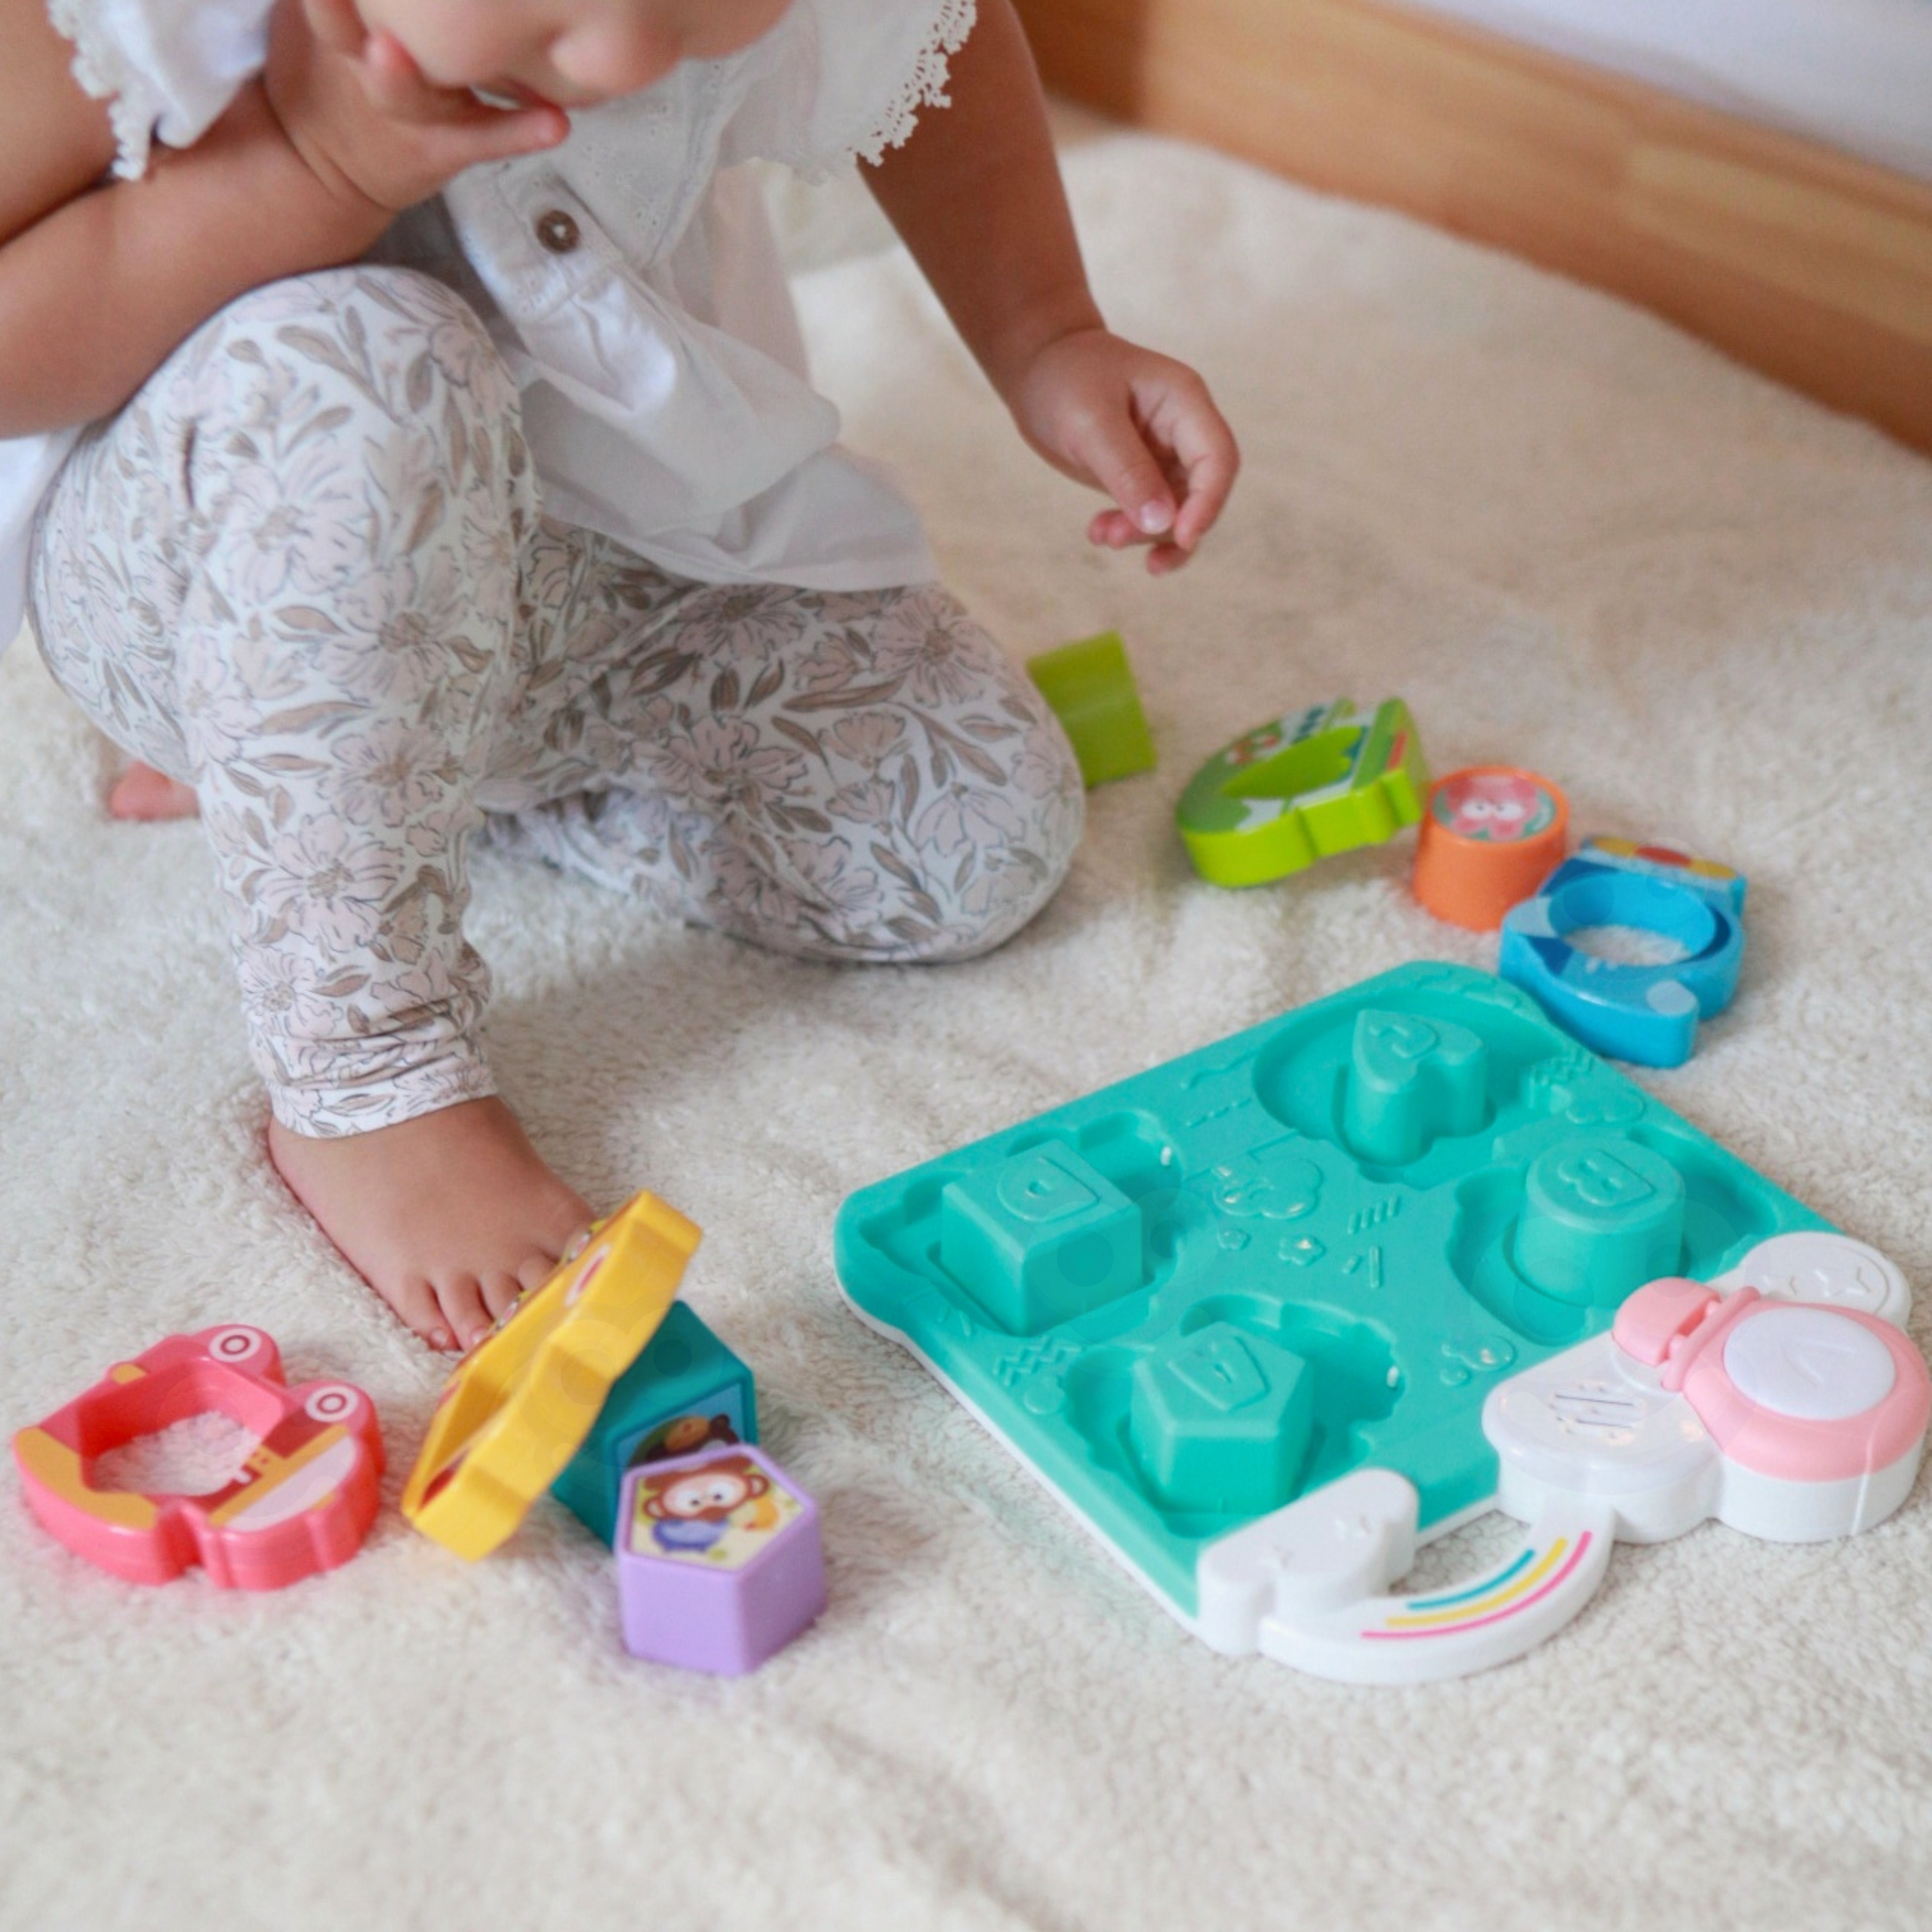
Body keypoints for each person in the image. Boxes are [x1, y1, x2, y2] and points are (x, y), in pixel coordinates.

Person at [0, 0, 1238, 1350]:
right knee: (370, 369)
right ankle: (366, 1069)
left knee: (975, 834)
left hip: (615, 570)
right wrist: (311, 164)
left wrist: (1046, 334)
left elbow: (934, 41)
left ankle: (382, 784)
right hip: (227, 562)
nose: (628, 60)